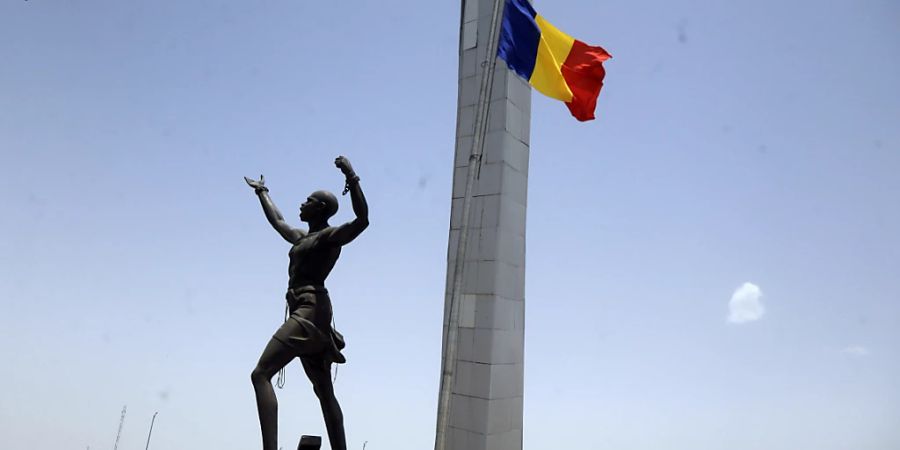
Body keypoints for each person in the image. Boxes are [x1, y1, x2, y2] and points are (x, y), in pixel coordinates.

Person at [244, 156, 368, 450]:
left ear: (321, 209)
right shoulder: (302, 237)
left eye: (308, 201)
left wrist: (351, 176)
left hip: (310, 311)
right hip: (310, 311)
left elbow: (362, 220)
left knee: (261, 374)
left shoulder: (329, 237)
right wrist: (263, 192)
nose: (302, 204)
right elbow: (278, 221)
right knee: (325, 393)